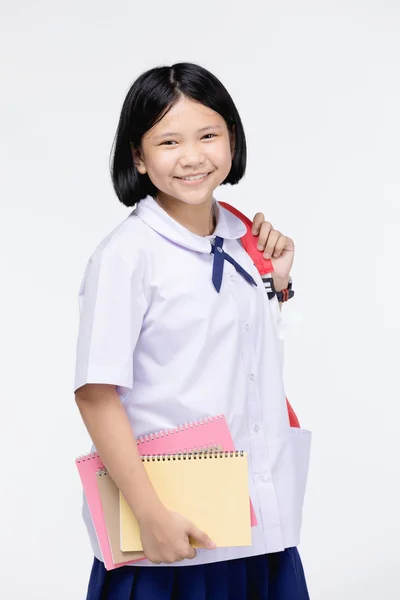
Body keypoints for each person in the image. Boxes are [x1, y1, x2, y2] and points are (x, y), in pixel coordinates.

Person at [74, 62, 311, 600]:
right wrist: (149, 513)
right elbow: (95, 392)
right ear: (138, 155)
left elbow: (238, 361)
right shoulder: (127, 255)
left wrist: (277, 282)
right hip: (170, 533)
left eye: (208, 135)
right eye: (168, 140)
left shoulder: (240, 235)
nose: (192, 156)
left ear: (232, 137)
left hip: (261, 528)